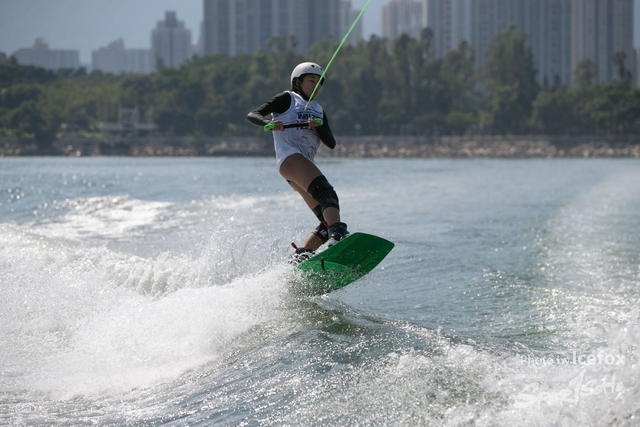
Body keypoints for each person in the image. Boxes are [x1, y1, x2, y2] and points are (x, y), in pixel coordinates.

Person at [247, 61, 348, 263]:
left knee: (325, 219)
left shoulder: (318, 110)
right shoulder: (287, 99)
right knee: (327, 194)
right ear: (297, 82)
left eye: (319, 83)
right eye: (311, 81)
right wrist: (269, 123)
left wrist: (318, 126)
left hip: (300, 167)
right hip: (290, 159)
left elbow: (331, 143)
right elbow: (253, 114)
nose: (316, 86)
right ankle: (338, 236)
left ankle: (300, 258)